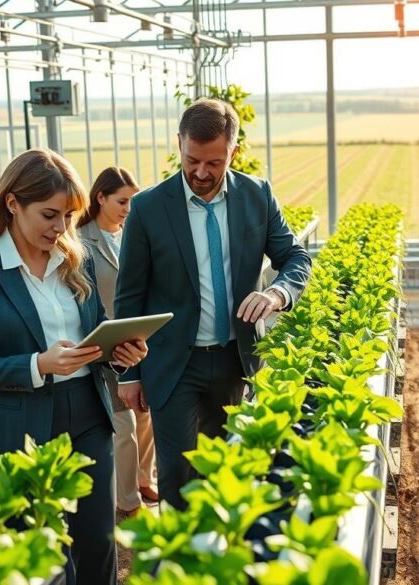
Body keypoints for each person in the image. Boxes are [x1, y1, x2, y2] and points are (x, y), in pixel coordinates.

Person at [0, 149, 147, 585]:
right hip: (19, 430)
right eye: (50, 215)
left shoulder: (77, 261)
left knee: (97, 543)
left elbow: (92, 340)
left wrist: (117, 353)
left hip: (88, 417)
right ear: (13, 203)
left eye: (70, 217)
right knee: (42, 556)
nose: (61, 228)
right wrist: (37, 364)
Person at [115, 98, 313, 509]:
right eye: (192, 160)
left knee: (226, 468)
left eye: (214, 163)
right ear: (180, 144)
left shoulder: (257, 196)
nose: (201, 173)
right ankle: (181, 563)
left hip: (234, 360)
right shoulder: (149, 208)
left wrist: (276, 293)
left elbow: (295, 257)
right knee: (178, 472)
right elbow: (130, 296)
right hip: (172, 363)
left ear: (233, 152)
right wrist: (129, 373)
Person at [77, 166, 159, 516]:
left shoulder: (133, 234)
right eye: (122, 201)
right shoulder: (81, 240)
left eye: (132, 201)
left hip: (138, 340)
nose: (129, 208)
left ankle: (144, 477)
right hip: (104, 344)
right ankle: (127, 499)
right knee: (122, 424)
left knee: (145, 415)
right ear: (100, 198)